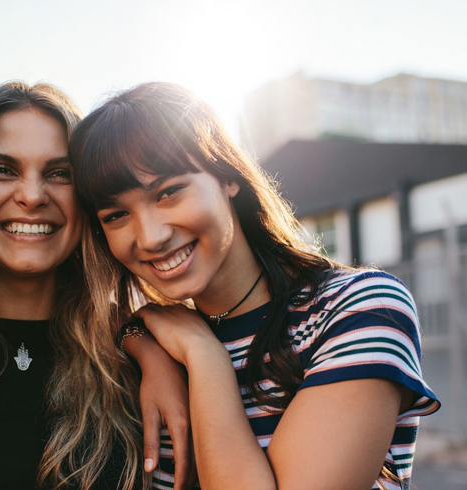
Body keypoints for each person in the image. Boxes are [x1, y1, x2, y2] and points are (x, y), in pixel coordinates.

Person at [70, 82, 441, 490]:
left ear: (228, 177)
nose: (151, 236)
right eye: (116, 215)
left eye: (169, 191)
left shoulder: (359, 308)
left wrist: (205, 358)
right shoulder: (155, 343)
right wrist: (138, 337)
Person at [0, 81, 193, 490]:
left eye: (59, 174)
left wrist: (149, 345)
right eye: (1, 169)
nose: (33, 196)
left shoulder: (140, 355)